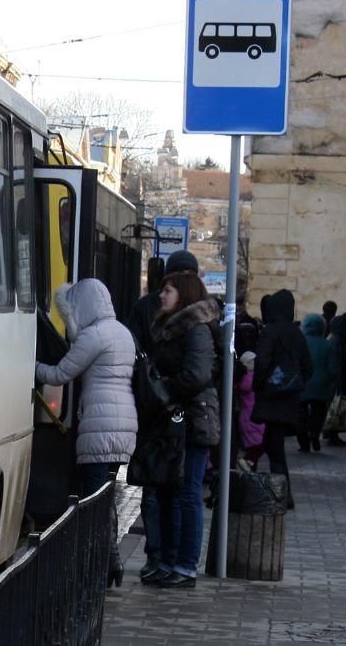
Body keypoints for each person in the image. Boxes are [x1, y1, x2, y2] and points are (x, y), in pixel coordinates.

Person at [36, 279, 137, 589]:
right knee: (106, 497)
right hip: (124, 423)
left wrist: (27, 365)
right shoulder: (122, 332)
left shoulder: (94, 335)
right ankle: (110, 561)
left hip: (100, 424)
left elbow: (60, 374)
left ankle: (104, 563)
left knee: (94, 501)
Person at [123, 250, 200, 582]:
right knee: (162, 488)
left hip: (173, 412)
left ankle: (168, 558)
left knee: (173, 488)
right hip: (161, 410)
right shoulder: (152, 310)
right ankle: (163, 557)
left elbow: (196, 375)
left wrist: (162, 392)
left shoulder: (192, 323)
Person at [141, 272, 219, 589]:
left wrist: (162, 388)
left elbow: (197, 375)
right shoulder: (170, 329)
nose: (161, 295)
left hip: (193, 418)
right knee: (171, 491)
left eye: (168, 290)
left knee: (188, 493)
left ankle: (186, 566)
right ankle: (170, 561)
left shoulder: (195, 329)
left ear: (183, 294)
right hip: (175, 418)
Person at [251, 290, 312, 508]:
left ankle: (283, 494)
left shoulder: (271, 332)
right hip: (290, 399)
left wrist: (259, 386)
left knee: (273, 447)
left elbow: (262, 363)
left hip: (272, 398)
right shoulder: (298, 334)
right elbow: (308, 367)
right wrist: (294, 383)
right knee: (272, 444)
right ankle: (280, 492)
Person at [297, 313, 339, 453]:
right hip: (321, 386)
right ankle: (314, 434)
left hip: (302, 385)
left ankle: (303, 443)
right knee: (318, 413)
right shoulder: (327, 345)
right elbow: (333, 369)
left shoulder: (300, 343)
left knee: (301, 414)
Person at [323, 313, 346, 447]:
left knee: (338, 407)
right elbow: (338, 363)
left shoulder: (336, 340)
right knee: (337, 407)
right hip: (339, 382)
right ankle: (332, 433)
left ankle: (332, 433)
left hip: (339, 380)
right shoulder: (337, 341)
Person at [236, 350, 264, 469]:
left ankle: (249, 462)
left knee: (254, 444)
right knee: (258, 444)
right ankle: (248, 461)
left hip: (248, 415)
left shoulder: (243, 378)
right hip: (252, 416)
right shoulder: (250, 378)